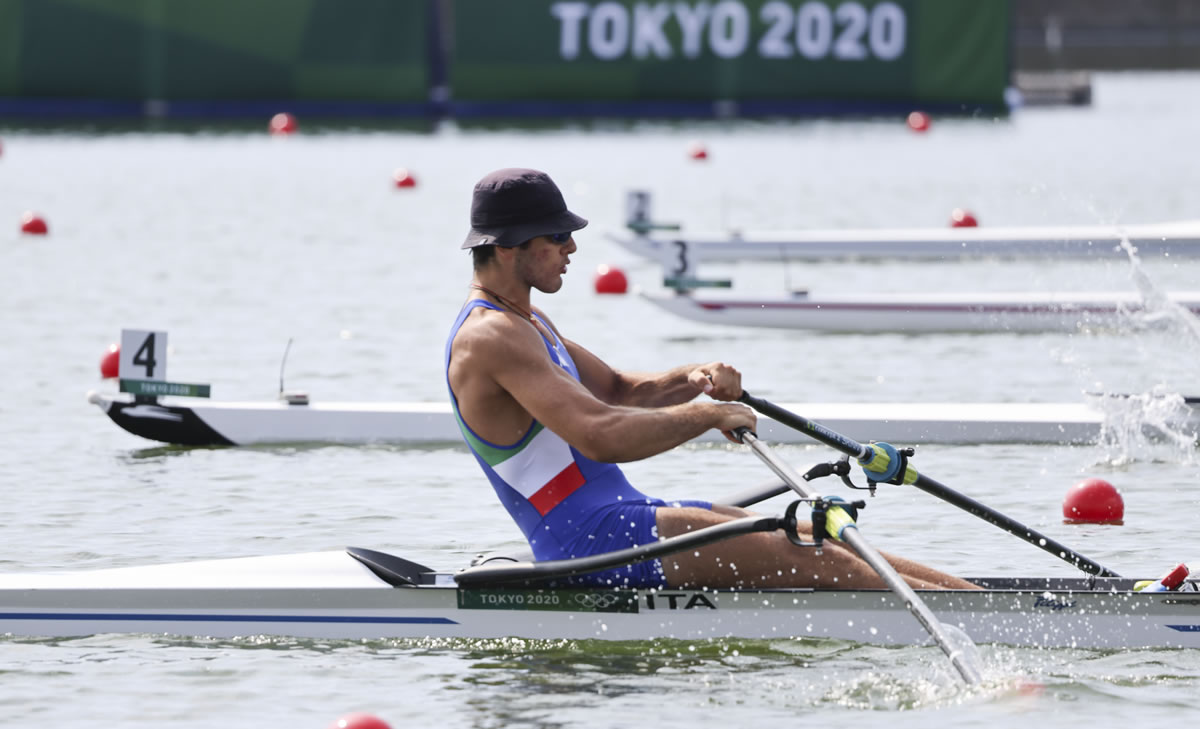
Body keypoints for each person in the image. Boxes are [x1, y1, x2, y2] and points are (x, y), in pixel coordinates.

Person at [445, 168, 976, 591]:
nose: (572, 248)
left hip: (622, 515)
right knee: (809, 554)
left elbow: (620, 391)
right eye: (558, 236)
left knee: (822, 534)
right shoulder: (489, 337)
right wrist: (708, 415)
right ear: (511, 246)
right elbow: (598, 433)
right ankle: (988, 626)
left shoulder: (526, 320)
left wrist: (694, 377)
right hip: (590, 543)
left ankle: (976, 599)